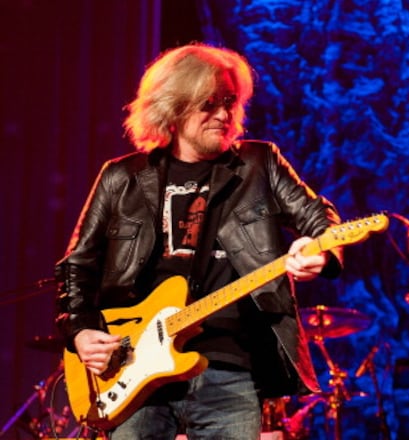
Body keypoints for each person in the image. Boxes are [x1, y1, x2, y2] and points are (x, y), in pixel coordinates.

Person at [54, 43, 342, 439]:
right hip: (133, 367)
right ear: (174, 106)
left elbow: (320, 218)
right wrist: (82, 331)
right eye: (209, 103)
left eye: (229, 101)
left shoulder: (259, 164)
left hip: (231, 366)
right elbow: (77, 266)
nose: (224, 114)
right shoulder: (121, 177)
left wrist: (320, 251)